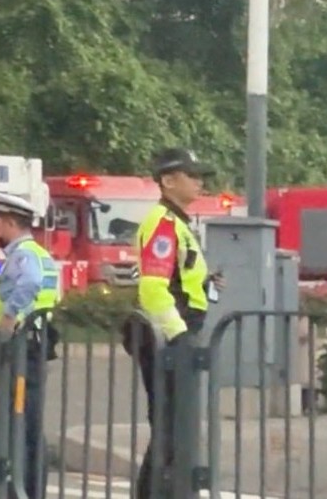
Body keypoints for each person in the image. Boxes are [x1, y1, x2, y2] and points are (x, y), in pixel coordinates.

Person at [131, 148, 223, 499]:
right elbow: (154, 288)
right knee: (170, 428)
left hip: (172, 338)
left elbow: (176, 278)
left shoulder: (178, 222)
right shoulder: (165, 223)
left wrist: (205, 282)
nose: (200, 182)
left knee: (174, 428)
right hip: (168, 341)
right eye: (192, 175)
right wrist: (179, 336)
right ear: (168, 181)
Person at [0, 193, 59, 499]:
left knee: (19, 424)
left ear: (10, 222)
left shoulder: (24, 256)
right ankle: (26, 488)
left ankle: (21, 490)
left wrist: (8, 320)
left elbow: (30, 283)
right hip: (33, 345)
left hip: (23, 349)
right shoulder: (34, 252)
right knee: (25, 422)